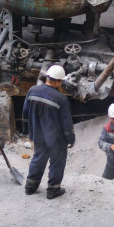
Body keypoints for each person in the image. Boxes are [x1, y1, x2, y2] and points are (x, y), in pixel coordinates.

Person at [23, 65, 75, 199]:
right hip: (55, 139)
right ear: (57, 81)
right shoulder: (61, 99)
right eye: (61, 81)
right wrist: (70, 139)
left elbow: (25, 113)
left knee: (38, 158)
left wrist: (26, 131)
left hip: (38, 135)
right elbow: (67, 124)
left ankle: (30, 187)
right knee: (57, 162)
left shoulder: (32, 91)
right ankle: (53, 190)